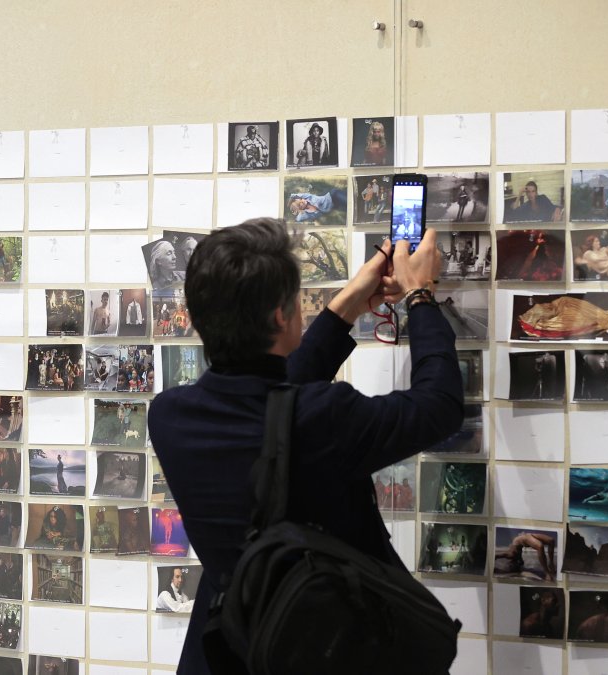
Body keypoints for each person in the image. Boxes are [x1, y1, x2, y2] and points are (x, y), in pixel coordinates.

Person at [146, 217, 462, 674]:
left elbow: (270, 401)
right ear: (281, 314)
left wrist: (345, 308)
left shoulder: (170, 416)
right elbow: (438, 406)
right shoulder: (323, 418)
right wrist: (420, 295)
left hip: (228, 654)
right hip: (330, 653)